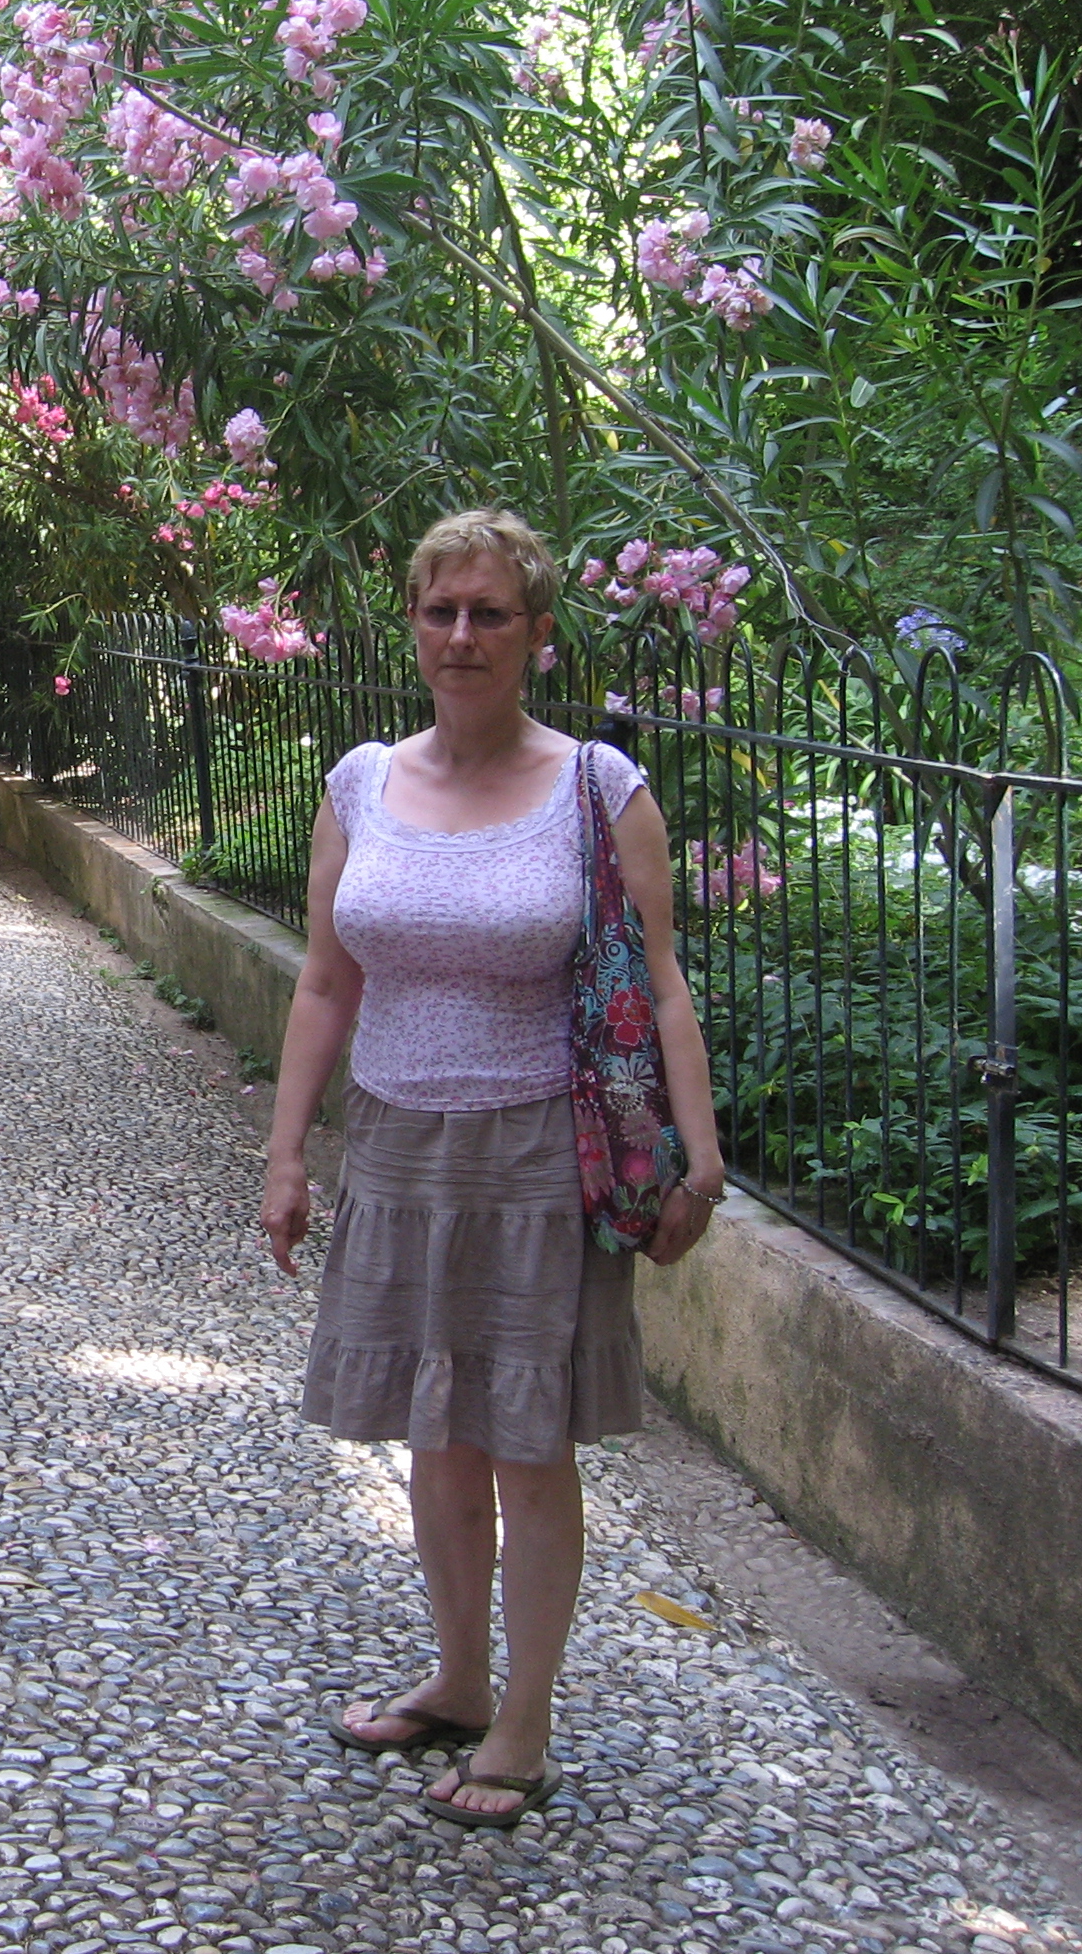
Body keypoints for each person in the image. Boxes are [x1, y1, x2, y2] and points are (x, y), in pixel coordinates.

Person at [257, 507, 723, 1831]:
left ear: (535, 634)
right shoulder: (360, 784)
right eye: (439, 610)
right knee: (437, 1434)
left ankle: (525, 1719)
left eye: (489, 613)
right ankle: (459, 1677)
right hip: (398, 1146)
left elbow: (661, 985)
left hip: (539, 1156)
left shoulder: (598, 787)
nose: (461, 636)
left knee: (527, 1445)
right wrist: (285, 1155)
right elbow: (324, 983)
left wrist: (699, 1162)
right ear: (412, 625)